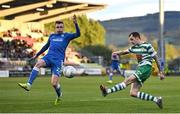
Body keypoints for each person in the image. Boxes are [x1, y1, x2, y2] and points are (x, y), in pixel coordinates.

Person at [18, 15, 80, 105]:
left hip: (58, 61)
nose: (59, 28)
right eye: (57, 27)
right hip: (48, 57)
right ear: (55, 28)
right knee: (38, 64)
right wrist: (37, 55)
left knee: (54, 84)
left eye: (61, 27)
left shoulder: (66, 36)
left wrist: (76, 24)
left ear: (63, 28)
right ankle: (28, 85)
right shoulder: (52, 36)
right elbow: (46, 46)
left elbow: (78, 34)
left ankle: (59, 95)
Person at [100, 32, 165, 109]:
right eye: (130, 40)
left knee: (128, 80)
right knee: (133, 93)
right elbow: (124, 52)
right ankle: (156, 99)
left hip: (146, 67)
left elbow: (156, 58)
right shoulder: (134, 48)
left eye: (132, 39)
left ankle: (107, 91)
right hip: (141, 68)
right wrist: (116, 52)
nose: (131, 42)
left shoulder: (147, 46)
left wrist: (161, 72)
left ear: (137, 38)